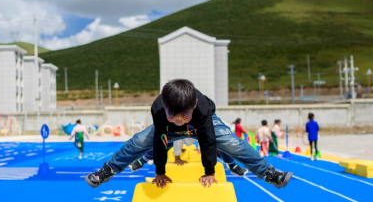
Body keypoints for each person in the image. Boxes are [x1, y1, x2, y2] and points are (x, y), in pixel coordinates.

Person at [86, 79, 291, 189]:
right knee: (138, 141)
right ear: (164, 107)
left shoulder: (201, 109)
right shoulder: (158, 109)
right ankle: (108, 169)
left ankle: (268, 173)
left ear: (193, 105)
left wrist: (209, 172)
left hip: (203, 124)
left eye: (183, 116)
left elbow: (209, 140)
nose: (178, 121)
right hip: (168, 131)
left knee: (233, 143)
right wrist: (160, 172)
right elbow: (160, 141)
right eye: (172, 115)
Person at [128, 138, 249, 177]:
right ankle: (141, 160)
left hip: (198, 135)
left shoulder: (203, 117)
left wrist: (203, 150)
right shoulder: (177, 117)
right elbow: (177, 139)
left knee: (221, 142)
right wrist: (177, 157)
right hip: (179, 135)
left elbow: (207, 134)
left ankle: (232, 165)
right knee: (161, 141)